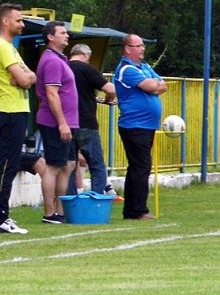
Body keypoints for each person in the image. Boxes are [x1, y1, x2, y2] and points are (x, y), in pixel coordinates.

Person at [0, 3, 36, 234]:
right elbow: (26, 79)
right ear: (5, 21)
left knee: (10, 165)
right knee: (6, 166)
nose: (22, 24)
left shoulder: (12, 48)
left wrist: (24, 78)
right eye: (18, 20)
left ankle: (3, 217)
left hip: (17, 110)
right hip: (9, 111)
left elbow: (32, 76)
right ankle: (1, 218)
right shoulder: (2, 47)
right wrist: (24, 78)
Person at [114, 34, 166, 220]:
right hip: (134, 125)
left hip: (146, 126)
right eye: (138, 46)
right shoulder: (126, 69)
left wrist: (155, 86)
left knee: (138, 167)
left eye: (143, 45)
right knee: (141, 166)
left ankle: (132, 209)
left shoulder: (144, 67)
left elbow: (162, 85)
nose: (142, 49)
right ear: (128, 49)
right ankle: (137, 210)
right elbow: (151, 86)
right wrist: (154, 86)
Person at [35, 21, 78, 224]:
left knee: (67, 164)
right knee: (53, 165)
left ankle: (60, 211)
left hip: (68, 122)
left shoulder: (61, 59)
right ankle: (49, 213)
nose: (66, 35)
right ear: (51, 37)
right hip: (55, 123)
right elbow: (52, 94)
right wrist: (62, 122)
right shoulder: (51, 60)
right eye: (62, 32)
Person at [67, 43, 117, 195]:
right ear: (86, 55)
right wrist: (109, 99)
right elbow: (111, 89)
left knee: (69, 166)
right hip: (86, 123)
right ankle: (96, 200)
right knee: (96, 165)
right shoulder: (87, 69)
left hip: (65, 124)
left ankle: (70, 204)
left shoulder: (62, 67)